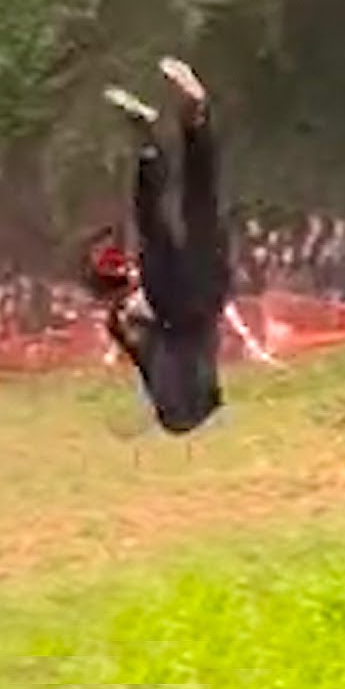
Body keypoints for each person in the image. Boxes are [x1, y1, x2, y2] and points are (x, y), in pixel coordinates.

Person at [89, 57, 234, 435]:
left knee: (198, 204)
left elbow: (136, 329)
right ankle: (159, 138)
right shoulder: (151, 353)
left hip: (202, 295)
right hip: (177, 302)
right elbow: (135, 327)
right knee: (162, 219)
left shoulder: (175, 373)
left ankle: (185, 123)